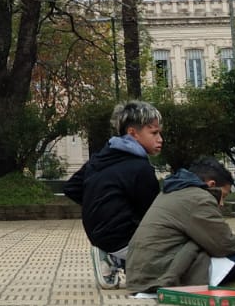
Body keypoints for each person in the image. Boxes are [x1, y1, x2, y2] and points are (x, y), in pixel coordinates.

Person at [63, 100, 163, 289]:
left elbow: (72, 188)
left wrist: (99, 204)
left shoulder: (102, 157)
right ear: (132, 133)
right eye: (154, 133)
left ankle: (113, 256)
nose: (160, 139)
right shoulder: (141, 168)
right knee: (178, 255)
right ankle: (117, 260)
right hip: (124, 238)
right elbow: (153, 214)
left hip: (97, 233)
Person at [124, 158, 235, 295]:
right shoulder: (200, 198)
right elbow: (223, 243)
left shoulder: (172, 191)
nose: (222, 204)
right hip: (158, 273)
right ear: (211, 184)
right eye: (224, 196)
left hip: (140, 272)